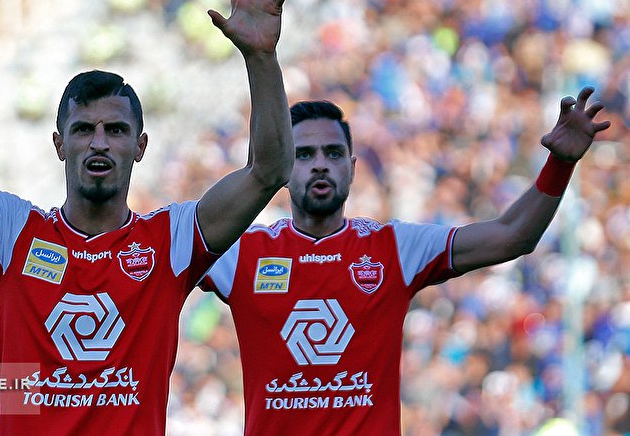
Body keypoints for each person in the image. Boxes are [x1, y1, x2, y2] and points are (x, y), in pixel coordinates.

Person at [0, 0, 292, 435]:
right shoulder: (15, 234)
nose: (99, 143)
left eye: (116, 130)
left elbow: (269, 171)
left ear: (140, 146)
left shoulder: (171, 243)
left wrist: (261, 58)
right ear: (60, 144)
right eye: (84, 129)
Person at [201, 94, 610, 435]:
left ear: (352, 169)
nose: (320, 164)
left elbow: (512, 235)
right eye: (304, 154)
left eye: (333, 153)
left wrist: (560, 165)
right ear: (283, 169)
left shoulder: (394, 247)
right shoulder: (239, 252)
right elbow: (164, 261)